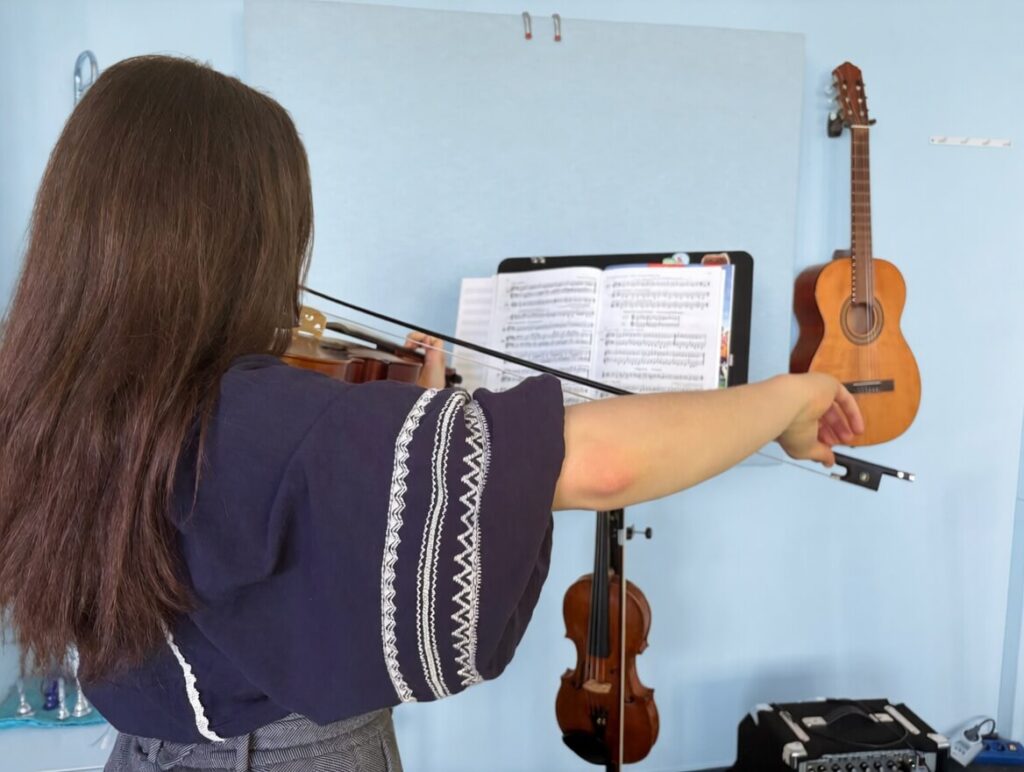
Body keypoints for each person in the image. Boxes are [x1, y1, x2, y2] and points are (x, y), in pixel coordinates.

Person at [0, 56, 862, 772]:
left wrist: (402, 425)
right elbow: (601, 464)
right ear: (235, 243)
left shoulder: (51, 397)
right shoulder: (258, 419)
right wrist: (789, 400)